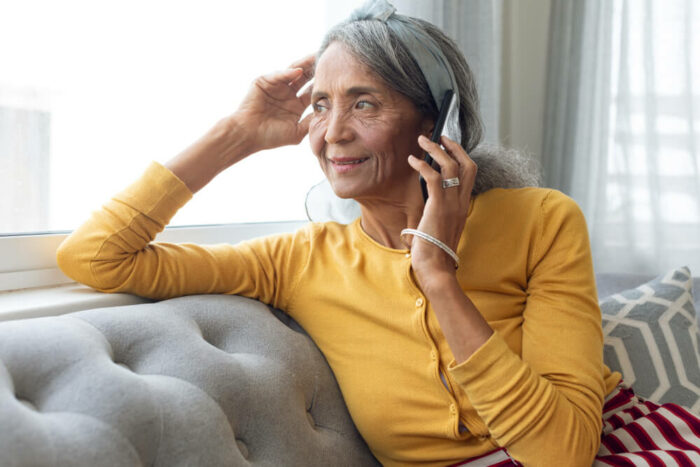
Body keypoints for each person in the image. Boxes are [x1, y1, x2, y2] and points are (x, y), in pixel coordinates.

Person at [56, 1, 700, 466]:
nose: (333, 131)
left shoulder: (541, 220)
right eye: (321, 105)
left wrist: (437, 275)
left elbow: (561, 453)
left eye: (364, 103)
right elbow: (96, 256)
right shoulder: (299, 260)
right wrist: (239, 133)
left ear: (437, 119)